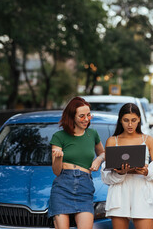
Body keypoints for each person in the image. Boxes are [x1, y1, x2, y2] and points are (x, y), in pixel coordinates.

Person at [101, 103, 153, 229]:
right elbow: (106, 176)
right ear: (120, 120)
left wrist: (146, 172)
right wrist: (120, 173)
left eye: (133, 120)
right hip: (119, 192)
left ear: (139, 119)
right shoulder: (112, 141)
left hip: (142, 191)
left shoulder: (149, 140)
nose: (130, 125)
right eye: (126, 120)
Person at [48, 97, 105, 229]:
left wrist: (98, 159)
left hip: (85, 187)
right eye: (81, 116)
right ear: (72, 117)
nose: (86, 119)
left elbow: (103, 153)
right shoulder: (59, 137)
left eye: (88, 115)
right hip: (62, 187)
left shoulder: (92, 134)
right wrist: (58, 158)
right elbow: (56, 171)